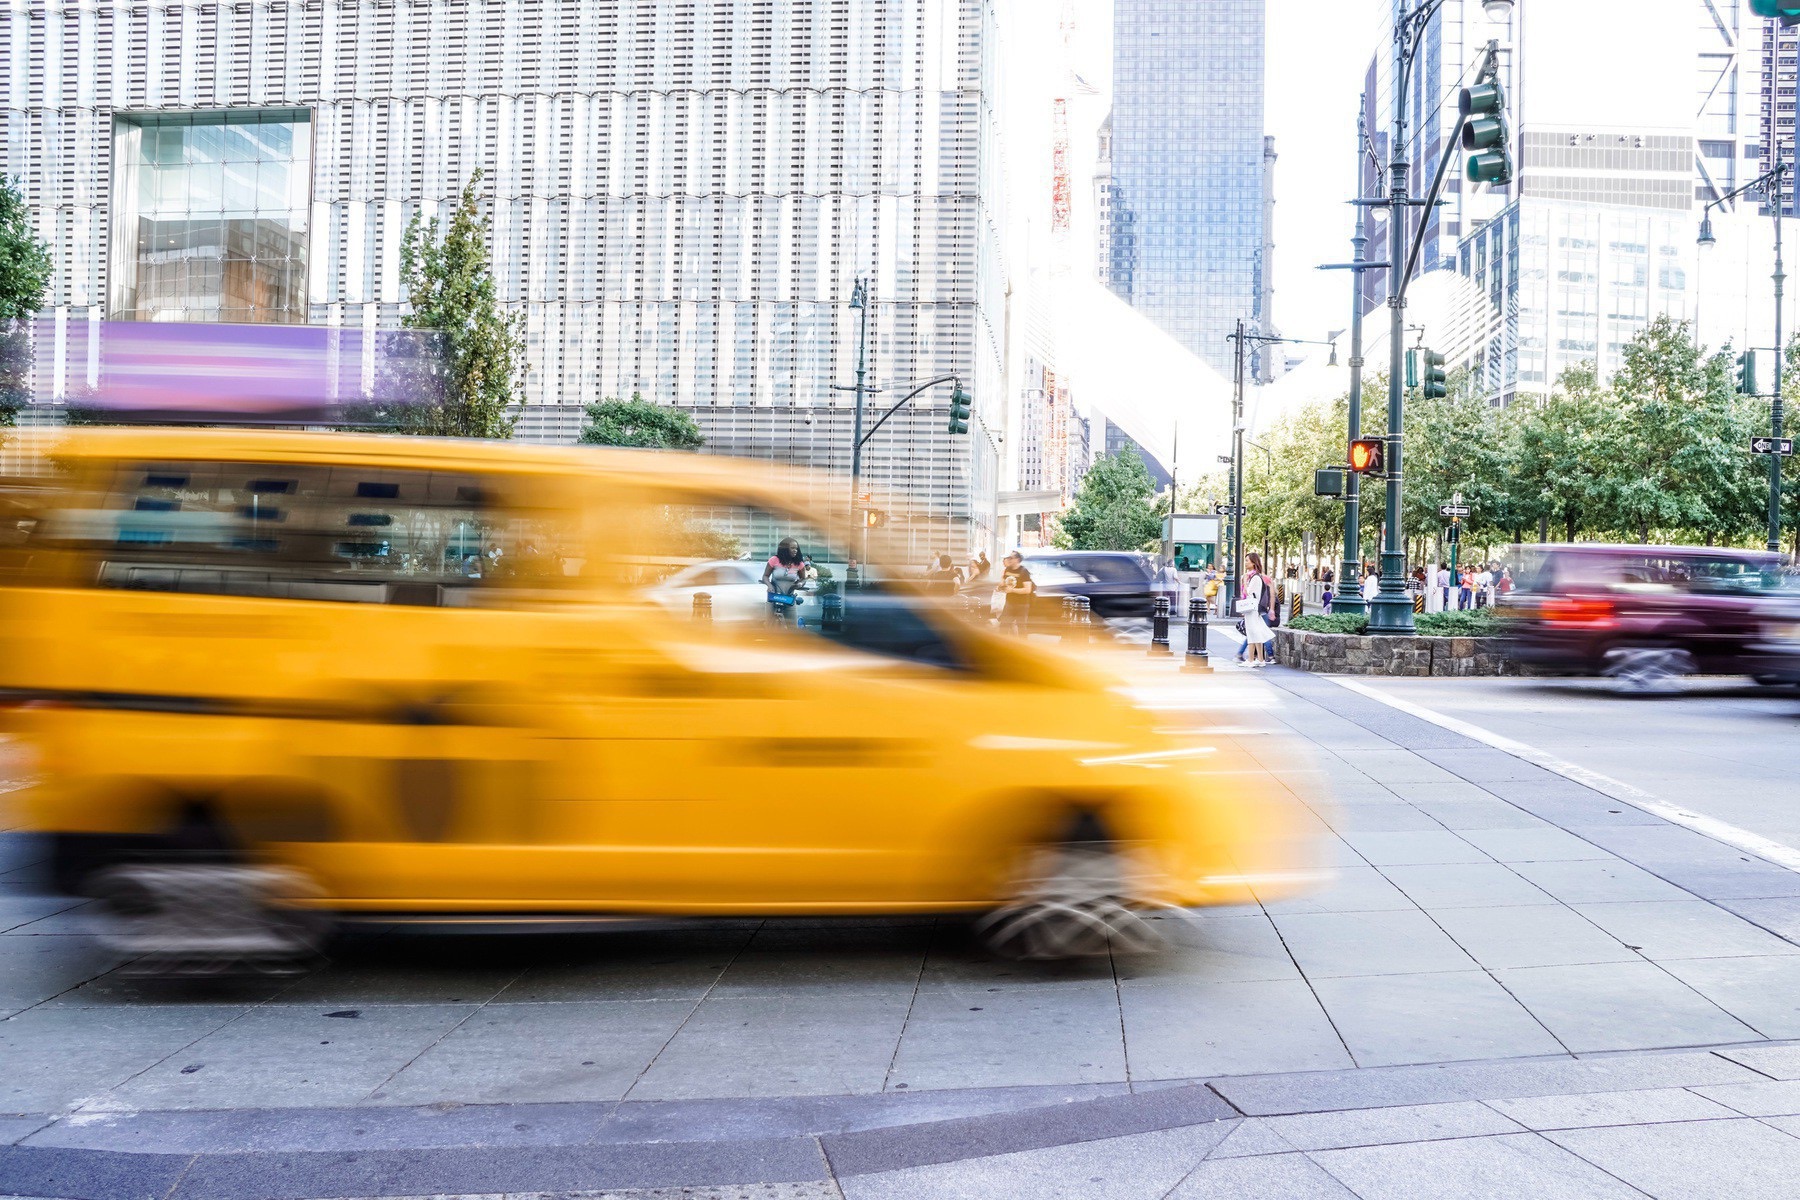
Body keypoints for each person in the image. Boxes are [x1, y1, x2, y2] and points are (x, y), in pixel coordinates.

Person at [1238, 553, 1273, 668]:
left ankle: (1251, 659)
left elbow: (1247, 592)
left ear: (1253, 562)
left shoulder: (1255, 578)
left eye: (1247, 560)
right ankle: (1261, 659)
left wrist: (1244, 581)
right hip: (1254, 609)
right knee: (1257, 633)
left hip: (1252, 609)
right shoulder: (1255, 577)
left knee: (1252, 633)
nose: (1245, 563)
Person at [763, 537, 808, 619]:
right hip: (774, 597)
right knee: (769, 625)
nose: (795, 550)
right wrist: (769, 586)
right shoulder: (774, 560)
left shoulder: (799, 563)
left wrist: (800, 583)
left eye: (796, 548)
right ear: (785, 549)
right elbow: (765, 576)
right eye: (792, 548)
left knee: (792, 625)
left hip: (789, 598)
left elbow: (803, 578)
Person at [996, 550, 1034, 635]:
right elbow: (1003, 582)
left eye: (1011, 558)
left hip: (1022, 604)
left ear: (1017, 559)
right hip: (1009, 602)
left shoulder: (1024, 571)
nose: (1009, 559)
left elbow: (1027, 590)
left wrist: (1012, 590)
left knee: (1021, 627)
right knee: (1004, 626)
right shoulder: (1007, 569)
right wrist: (1000, 586)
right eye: (1008, 558)